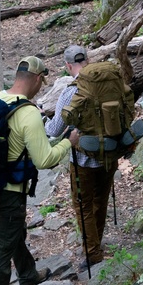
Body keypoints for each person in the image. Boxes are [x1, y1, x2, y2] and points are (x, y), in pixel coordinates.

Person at [0, 56, 80, 285]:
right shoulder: (28, 113)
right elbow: (45, 159)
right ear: (37, 80)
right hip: (10, 189)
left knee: (13, 231)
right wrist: (68, 142)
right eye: (42, 83)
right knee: (2, 246)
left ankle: (27, 276)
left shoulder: (0, 98)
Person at [45, 44, 116, 270]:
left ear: (67, 66)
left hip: (83, 158)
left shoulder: (69, 92)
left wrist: (42, 119)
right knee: (100, 199)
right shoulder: (109, 80)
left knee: (83, 205)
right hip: (110, 152)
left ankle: (92, 253)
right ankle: (96, 242)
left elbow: (55, 130)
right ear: (87, 59)